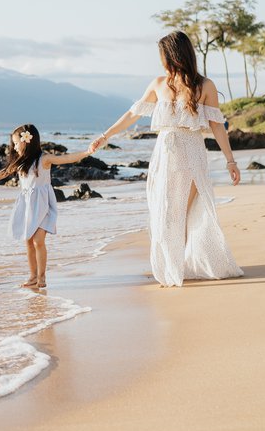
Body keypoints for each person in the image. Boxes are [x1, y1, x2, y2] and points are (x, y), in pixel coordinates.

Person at [90, 31, 243, 287]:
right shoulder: (158, 83)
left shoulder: (205, 86)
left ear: (174, 55)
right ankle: (171, 265)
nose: (162, 61)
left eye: (163, 55)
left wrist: (230, 160)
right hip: (164, 154)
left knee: (179, 211)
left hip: (191, 152)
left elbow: (217, 126)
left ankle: (175, 267)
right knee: (162, 209)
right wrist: (105, 136)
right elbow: (132, 114)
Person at [0, 124, 93, 289]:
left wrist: (87, 152)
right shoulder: (20, 162)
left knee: (38, 241)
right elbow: (4, 172)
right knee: (28, 241)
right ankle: (33, 276)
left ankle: (42, 277)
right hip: (27, 205)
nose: (14, 147)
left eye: (16, 143)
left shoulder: (44, 159)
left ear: (27, 141)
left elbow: (67, 158)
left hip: (42, 205)